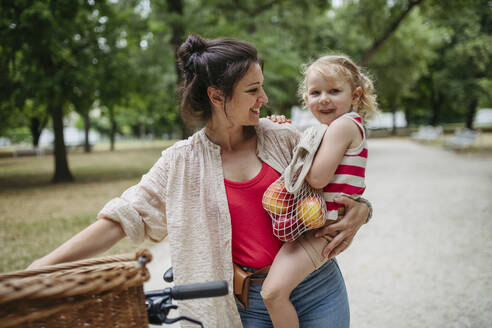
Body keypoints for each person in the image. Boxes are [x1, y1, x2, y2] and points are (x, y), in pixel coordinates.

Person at [28, 35, 372, 327]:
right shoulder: (181, 163)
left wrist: (363, 211)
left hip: (319, 287)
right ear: (217, 96)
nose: (264, 99)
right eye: (253, 90)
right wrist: (42, 267)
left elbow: (340, 180)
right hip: (250, 305)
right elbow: (122, 218)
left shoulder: (282, 137)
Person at [260, 55, 378, 328]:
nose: (323, 99)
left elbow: (316, 178)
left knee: (273, 293)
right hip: (318, 222)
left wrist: (304, 148)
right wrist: (285, 128)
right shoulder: (337, 127)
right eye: (316, 92)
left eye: (334, 91)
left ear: (355, 95)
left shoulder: (343, 125)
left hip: (324, 228)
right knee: (274, 291)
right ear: (306, 97)